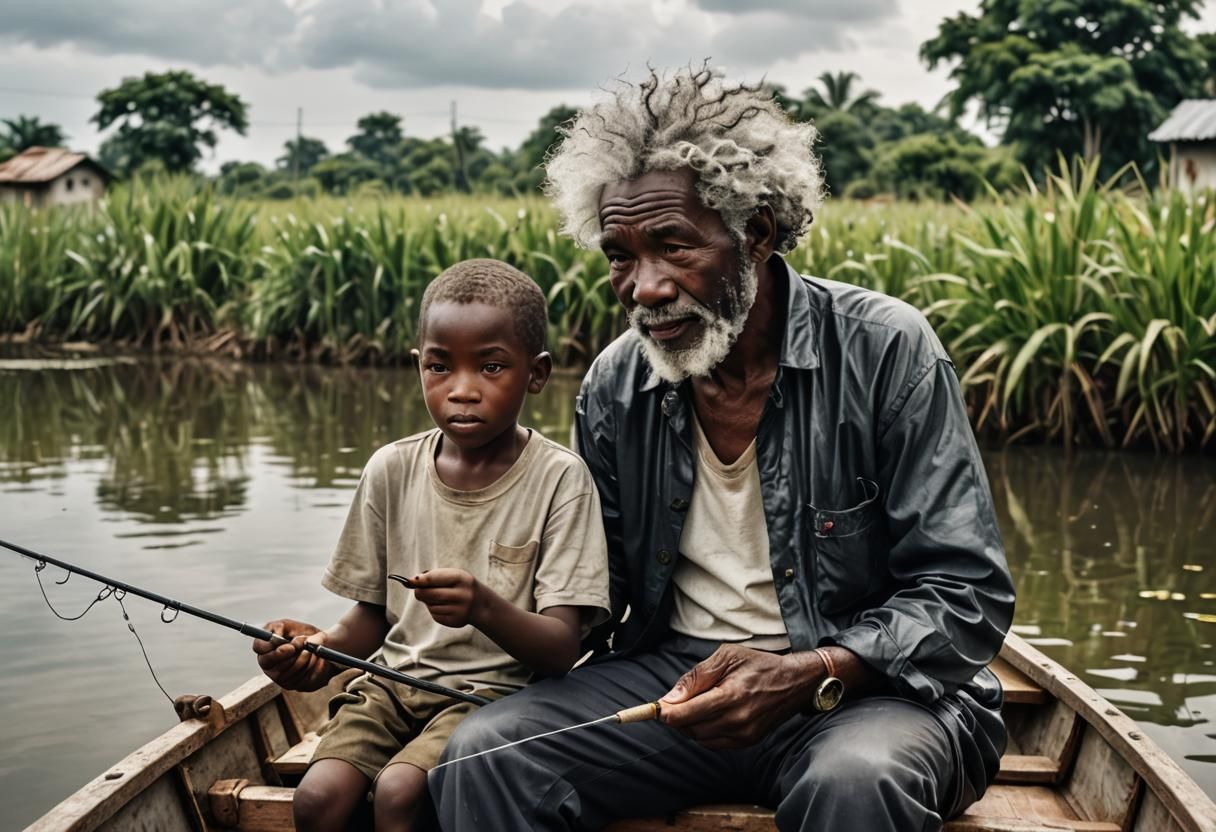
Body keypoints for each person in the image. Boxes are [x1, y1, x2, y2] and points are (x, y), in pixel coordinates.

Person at [430, 66, 1016, 831]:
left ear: (757, 233)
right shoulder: (616, 385)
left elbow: (966, 593)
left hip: (869, 691)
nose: (643, 287)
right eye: (619, 255)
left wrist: (810, 671)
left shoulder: (884, 351)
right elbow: (587, 598)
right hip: (677, 688)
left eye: (673, 246)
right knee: (486, 753)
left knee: (857, 782)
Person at [252, 259, 611, 832]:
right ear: (419, 365)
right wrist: (319, 652)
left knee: (400, 792)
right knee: (318, 797)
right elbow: (373, 617)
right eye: (440, 367)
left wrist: (482, 607)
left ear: (536, 374)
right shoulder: (390, 469)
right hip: (391, 688)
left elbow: (561, 649)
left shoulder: (560, 480)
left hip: (497, 699)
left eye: (491, 367)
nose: (462, 391)